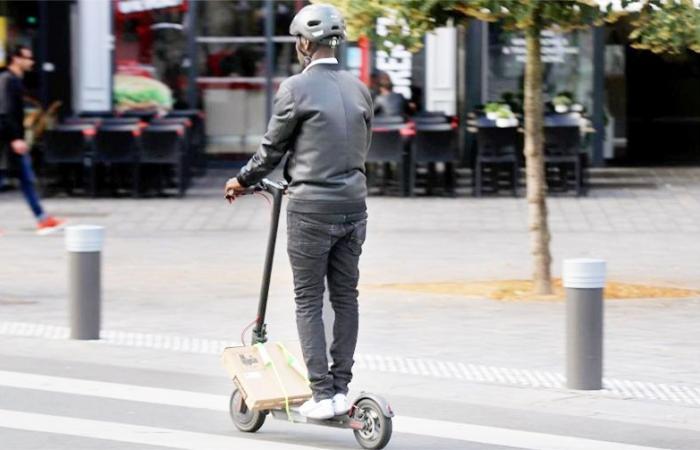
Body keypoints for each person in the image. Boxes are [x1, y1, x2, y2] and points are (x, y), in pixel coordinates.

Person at [224, 4, 372, 420]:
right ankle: (341, 389)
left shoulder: (294, 88)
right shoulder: (360, 88)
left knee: (308, 299)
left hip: (311, 208)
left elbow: (272, 148)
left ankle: (322, 395)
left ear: (305, 44)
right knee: (345, 297)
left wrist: (242, 180)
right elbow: (362, 144)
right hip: (354, 205)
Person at [0, 45, 64, 235]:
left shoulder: (14, 80)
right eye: (27, 58)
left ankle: (43, 219)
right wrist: (15, 139)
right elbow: (4, 113)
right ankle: (43, 219)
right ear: (16, 59)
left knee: (26, 179)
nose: (31, 61)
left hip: (12, 141)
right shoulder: (7, 81)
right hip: (7, 142)